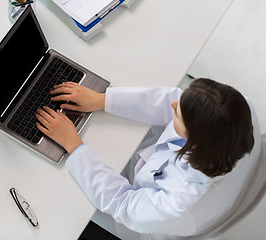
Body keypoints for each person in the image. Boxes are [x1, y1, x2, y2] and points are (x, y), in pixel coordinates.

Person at [35, 78, 256, 238]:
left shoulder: (181, 204)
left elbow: (122, 203)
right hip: (153, 173)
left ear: (196, 142)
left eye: (178, 113)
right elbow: (176, 100)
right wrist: (103, 100)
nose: (173, 105)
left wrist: (74, 146)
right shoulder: (235, 111)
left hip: (142, 223)